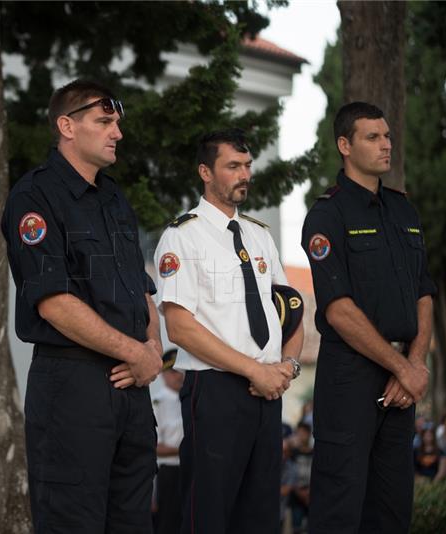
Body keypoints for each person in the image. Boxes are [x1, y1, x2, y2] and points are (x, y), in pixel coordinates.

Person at [1, 79, 162, 533]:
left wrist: (151, 349)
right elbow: (53, 302)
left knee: (132, 523)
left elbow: (140, 288)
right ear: (67, 126)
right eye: (104, 122)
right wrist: (135, 353)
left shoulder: (113, 197)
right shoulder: (34, 197)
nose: (117, 133)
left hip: (132, 385)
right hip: (73, 385)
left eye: (117, 123)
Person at [154, 128, 303, 533]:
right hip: (216, 391)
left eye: (248, 165)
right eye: (233, 166)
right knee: (209, 514)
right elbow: (181, 327)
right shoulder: (182, 236)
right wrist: (254, 370)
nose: (245, 174)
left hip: (269, 392)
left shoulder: (259, 235)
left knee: (259, 516)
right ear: (205, 171)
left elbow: (290, 310)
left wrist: (286, 366)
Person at [301, 101, 436, 533]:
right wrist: (402, 367)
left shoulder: (403, 211)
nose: (385, 145)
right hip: (351, 378)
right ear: (345, 145)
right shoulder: (328, 215)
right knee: (340, 510)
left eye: (387, 136)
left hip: (401, 379)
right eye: (372, 137)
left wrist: (413, 365)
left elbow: (424, 292)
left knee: (393, 509)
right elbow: (339, 310)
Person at [152, 349, 184, 534]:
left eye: (181, 370)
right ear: (163, 373)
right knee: (168, 524)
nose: (179, 375)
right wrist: (184, 450)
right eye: (173, 371)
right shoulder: (158, 402)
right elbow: (154, 446)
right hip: (169, 472)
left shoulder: (190, 400)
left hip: (191, 468)